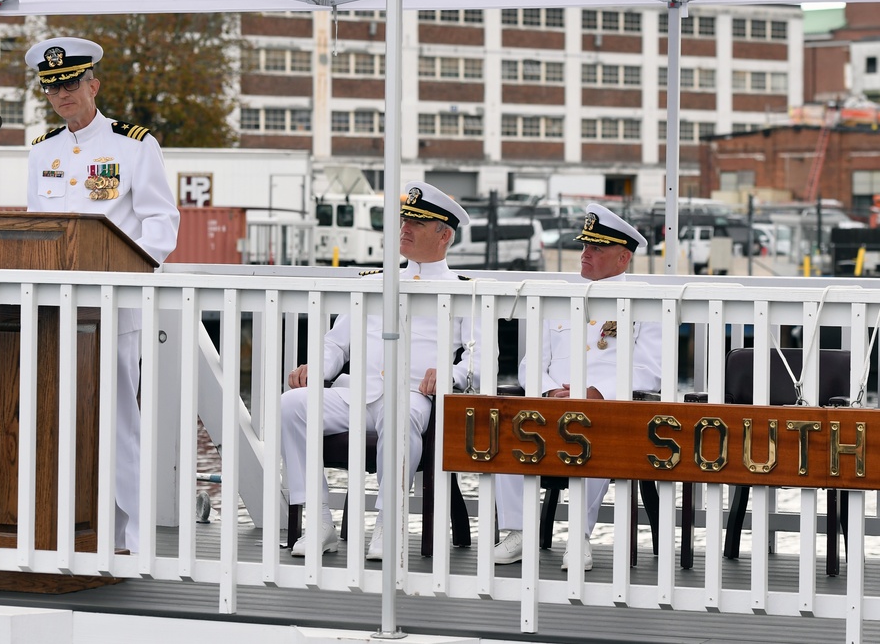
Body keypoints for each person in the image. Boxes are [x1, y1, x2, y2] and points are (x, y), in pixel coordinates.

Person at [24, 37, 180, 553]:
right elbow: (37, 230)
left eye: (70, 83)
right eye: (52, 87)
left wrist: (130, 274)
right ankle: (69, 524)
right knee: (54, 416)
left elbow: (162, 224)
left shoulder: (133, 145)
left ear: (93, 84)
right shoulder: (42, 150)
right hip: (53, 307)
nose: (62, 95)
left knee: (116, 423)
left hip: (113, 308)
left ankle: (132, 535)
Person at [281, 181, 482, 561]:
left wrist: (451, 375)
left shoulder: (464, 292)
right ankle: (320, 522)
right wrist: (316, 367)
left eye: (417, 223)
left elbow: (480, 359)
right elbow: (336, 345)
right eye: (405, 218)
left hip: (414, 397)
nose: (404, 227)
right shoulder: (374, 284)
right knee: (292, 405)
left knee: (398, 413)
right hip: (356, 393)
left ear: (445, 235)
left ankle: (388, 528)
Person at [493, 203, 660, 570]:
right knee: (509, 428)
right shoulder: (558, 298)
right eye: (584, 246)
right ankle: (517, 532)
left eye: (596, 249)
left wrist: (595, 393)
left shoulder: (646, 303)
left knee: (592, 429)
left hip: (608, 408)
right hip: (551, 406)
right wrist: (551, 392)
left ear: (623, 257)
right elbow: (529, 365)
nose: (584, 255)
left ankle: (579, 538)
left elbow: (650, 371)